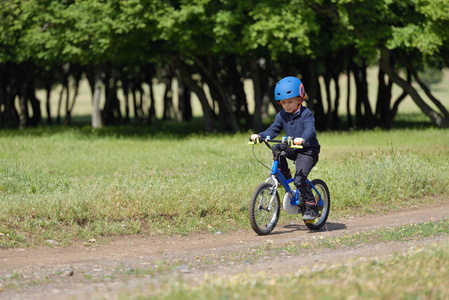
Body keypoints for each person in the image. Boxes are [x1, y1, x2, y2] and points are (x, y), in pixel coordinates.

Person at [250, 76, 320, 220]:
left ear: (300, 99)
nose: (287, 105)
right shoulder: (282, 115)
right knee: (277, 148)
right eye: (283, 103)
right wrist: (260, 135)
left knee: (300, 180)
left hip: (308, 151)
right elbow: (273, 130)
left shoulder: (306, 114)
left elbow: (309, 129)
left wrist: (303, 139)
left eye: (290, 102)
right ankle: (284, 175)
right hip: (293, 149)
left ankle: (312, 206)